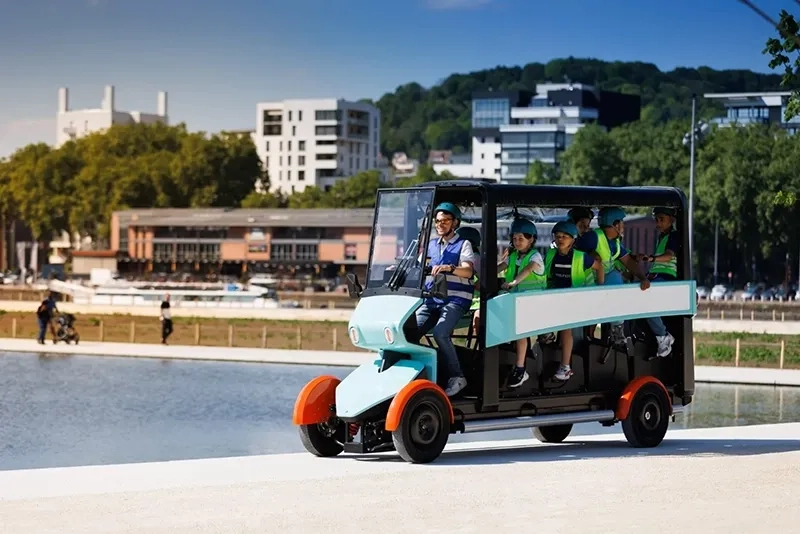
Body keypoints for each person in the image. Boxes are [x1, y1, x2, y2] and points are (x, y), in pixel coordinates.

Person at [416, 202, 477, 397]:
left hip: (456, 299)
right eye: (437, 221)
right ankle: (420, 374)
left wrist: (449, 268)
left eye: (445, 221)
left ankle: (457, 376)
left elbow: (468, 271)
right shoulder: (431, 245)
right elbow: (418, 269)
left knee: (441, 332)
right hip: (433, 299)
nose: (440, 224)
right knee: (407, 332)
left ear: (455, 223)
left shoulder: (463, 244)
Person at [574, 206, 650, 345]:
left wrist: (643, 277)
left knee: (615, 277)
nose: (623, 226)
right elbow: (575, 252)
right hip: (586, 282)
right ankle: (605, 331)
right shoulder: (592, 237)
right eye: (621, 222)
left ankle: (615, 328)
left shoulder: (615, 243)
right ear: (615, 225)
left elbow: (627, 261)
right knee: (613, 278)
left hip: (602, 281)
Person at [544, 220, 605, 381]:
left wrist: (602, 288)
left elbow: (599, 267)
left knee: (566, 329)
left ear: (573, 240)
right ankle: (548, 336)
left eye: (565, 236)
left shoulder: (581, 257)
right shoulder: (551, 254)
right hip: (555, 295)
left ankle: (565, 367)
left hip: (573, 297)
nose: (560, 239)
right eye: (557, 236)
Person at [498, 217, 546, 388]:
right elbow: (500, 267)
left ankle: (520, 369)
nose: (517, 242)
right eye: (514, 238)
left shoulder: (536, 256)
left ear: (531, 239)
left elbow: (528, 269)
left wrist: (513, 282)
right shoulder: (513, 256)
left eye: (521, 239)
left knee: (520, 332)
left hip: (532, 302)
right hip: (517, 302)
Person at [634, 206, 679, 357]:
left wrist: (651, 258)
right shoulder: (662, 236)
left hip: (665, 276)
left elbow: (669, 256)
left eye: (662, 219)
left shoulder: (674, 236)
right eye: (656, 220)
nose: (658, 223)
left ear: (671, 220)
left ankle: (662, 335)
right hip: (656, 275)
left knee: (646, 298)